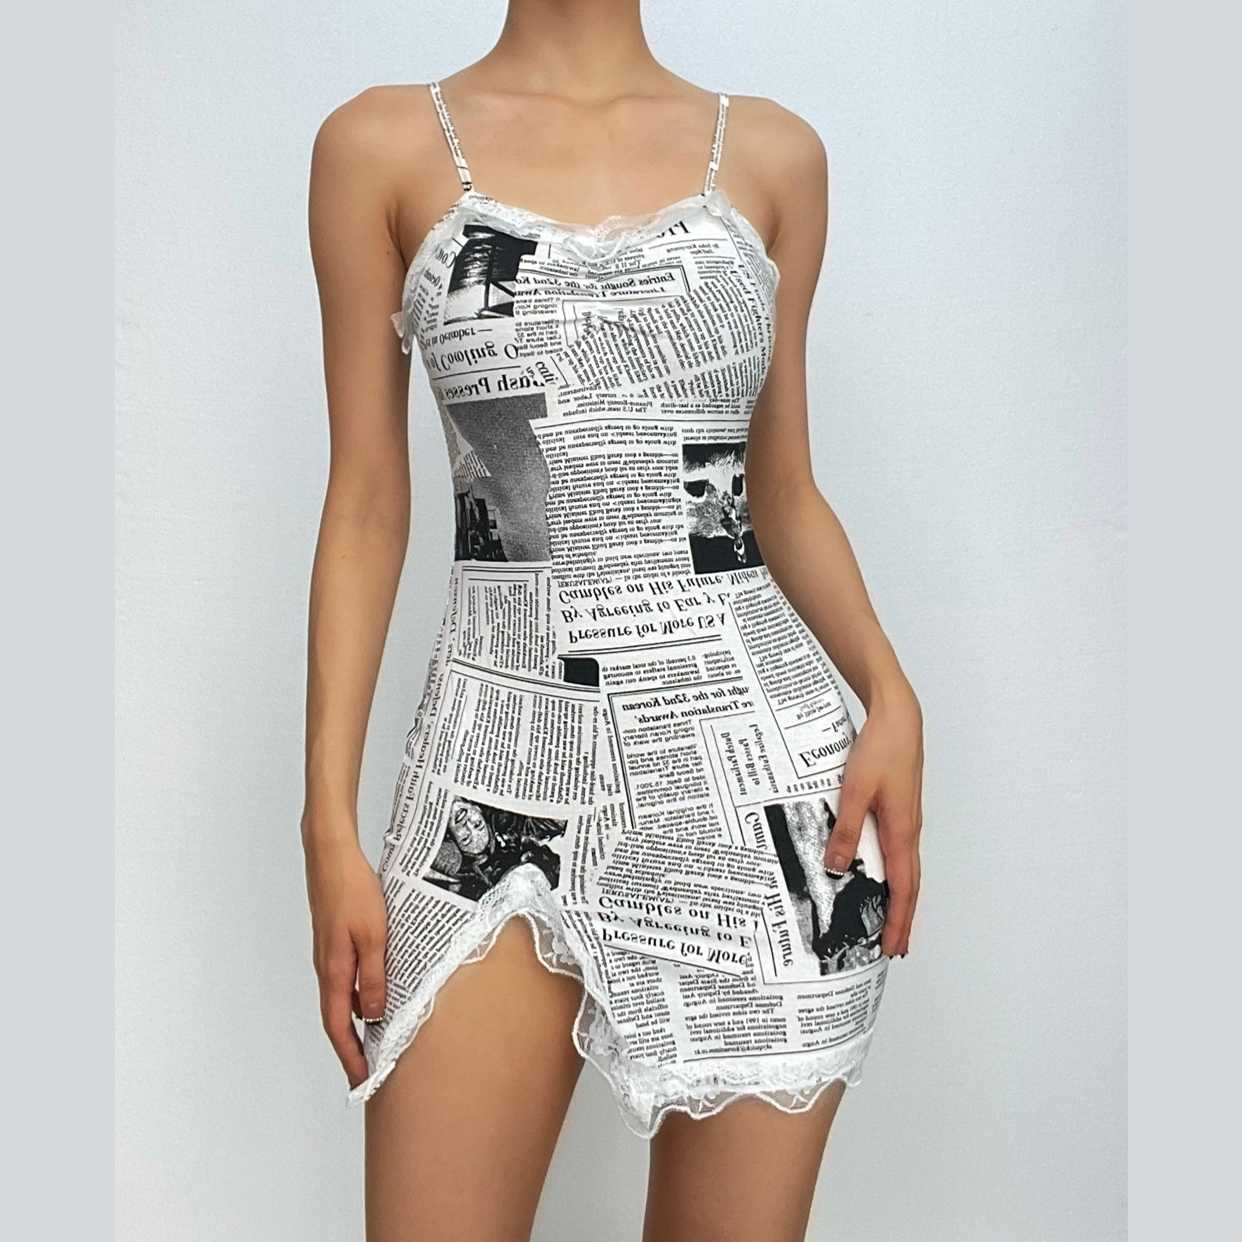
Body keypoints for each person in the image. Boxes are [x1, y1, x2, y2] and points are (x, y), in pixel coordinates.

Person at [301, 3, 924, 1239]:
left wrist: (891, 693)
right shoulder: (380, 147)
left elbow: (779, 489)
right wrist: (325, 819)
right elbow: (367, 501)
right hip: (496, 771)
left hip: (757, 788)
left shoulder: (775, 157)